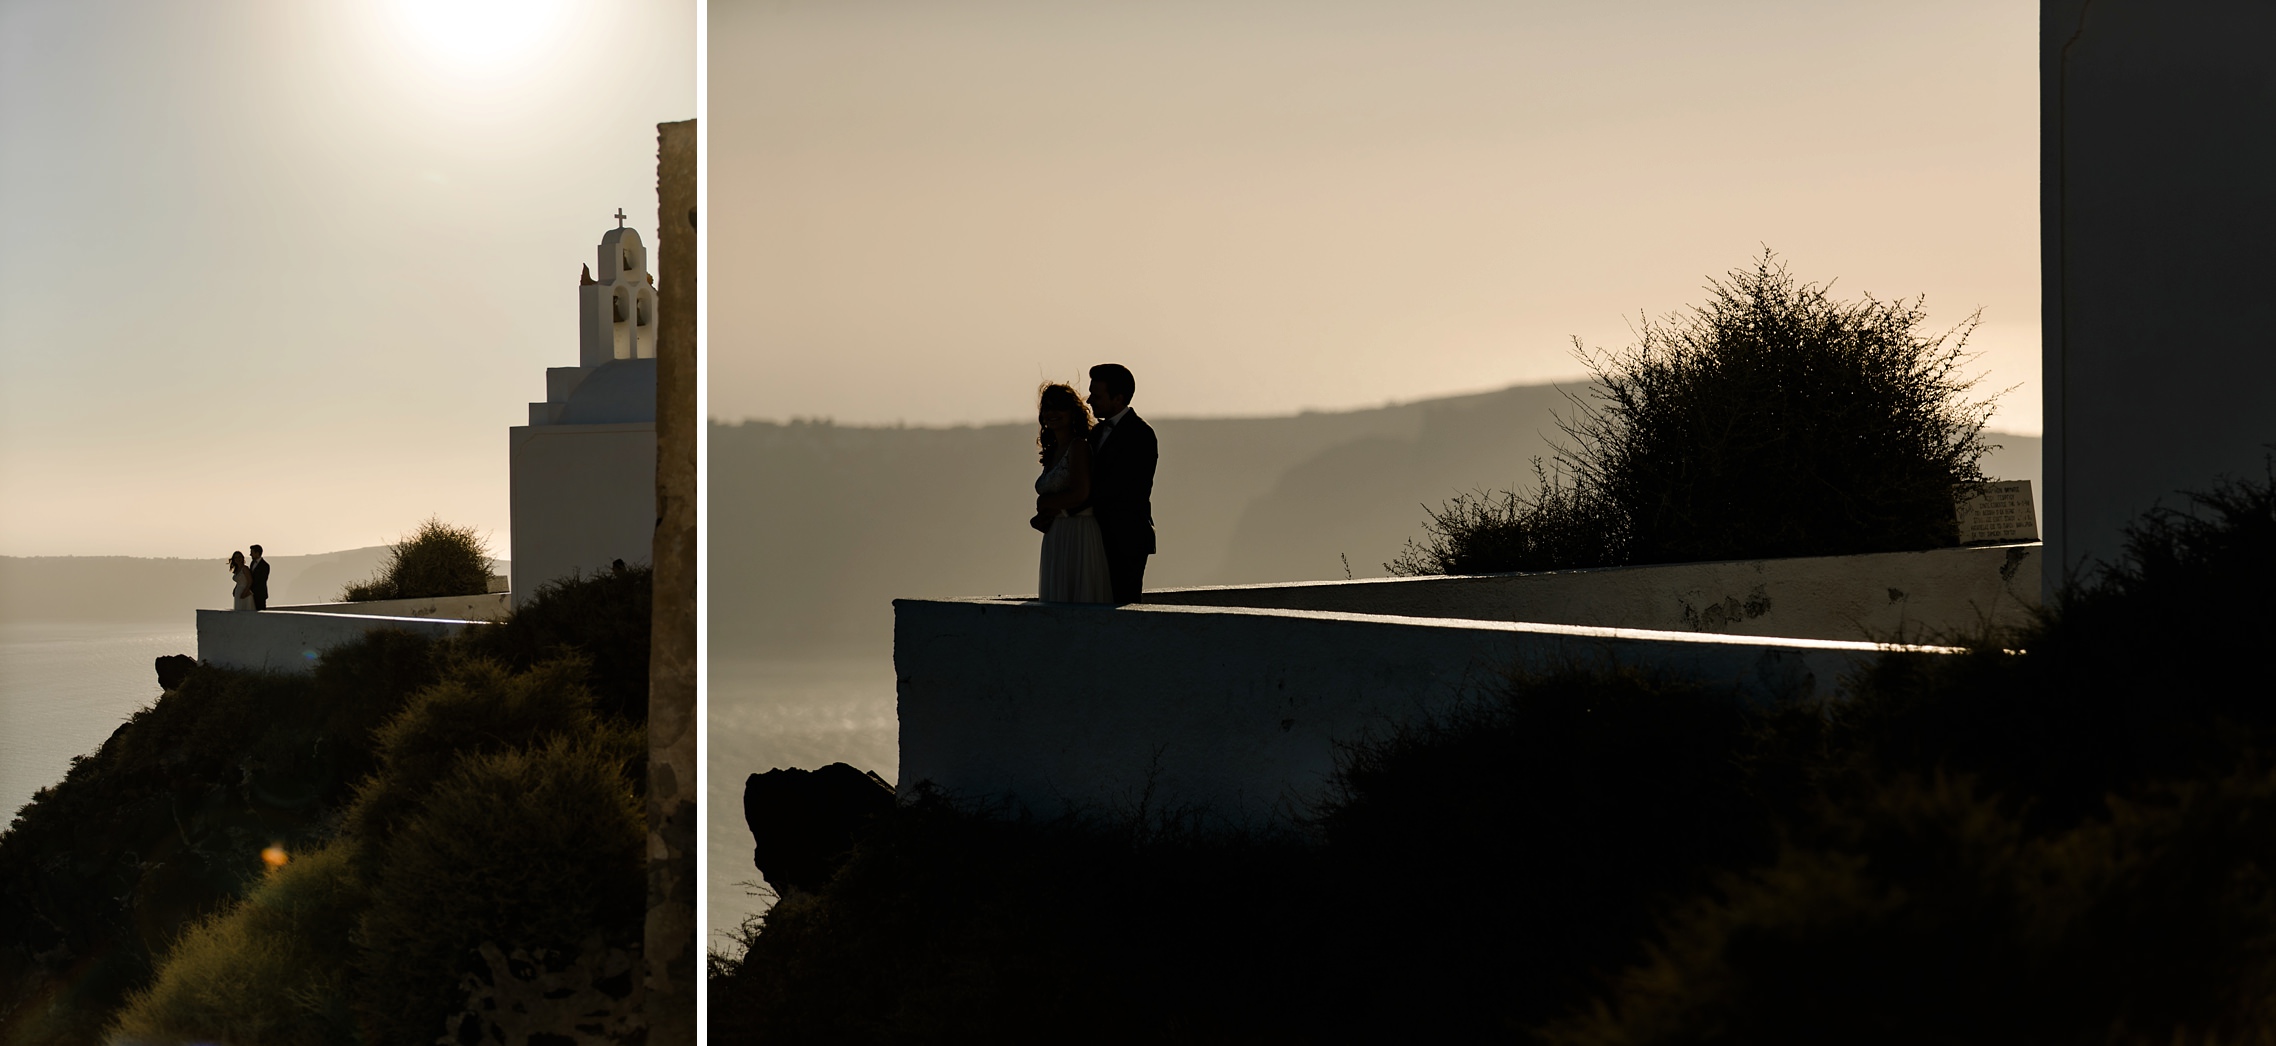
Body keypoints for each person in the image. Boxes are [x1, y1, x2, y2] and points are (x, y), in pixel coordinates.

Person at [1030, 383, 1114, 603]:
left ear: (1072, 412)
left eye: (1060, 408)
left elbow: (1081, 493)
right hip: (1057, 533)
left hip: (1077, 532)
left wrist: (1046, 501)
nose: (1052, 414)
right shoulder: (1053, 450)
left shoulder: (1078, 447)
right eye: (1047, 408)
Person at [1083, 363, 1157, 604]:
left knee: (1123, 605)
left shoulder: (1141, 435)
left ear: (1118, 399)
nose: (1089, 400)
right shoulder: (1095, 433)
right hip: (1097, 536)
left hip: (1126, 539)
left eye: (1096, 395)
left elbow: (1129, 488)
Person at [248, 544, 271, 611]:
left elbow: (262, 581)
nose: (250, 554)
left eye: (252, 553)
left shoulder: (265, 566)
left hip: (260, 594)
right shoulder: (252, 563)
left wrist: (252, 590)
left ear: (257, 553)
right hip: (252, 594)